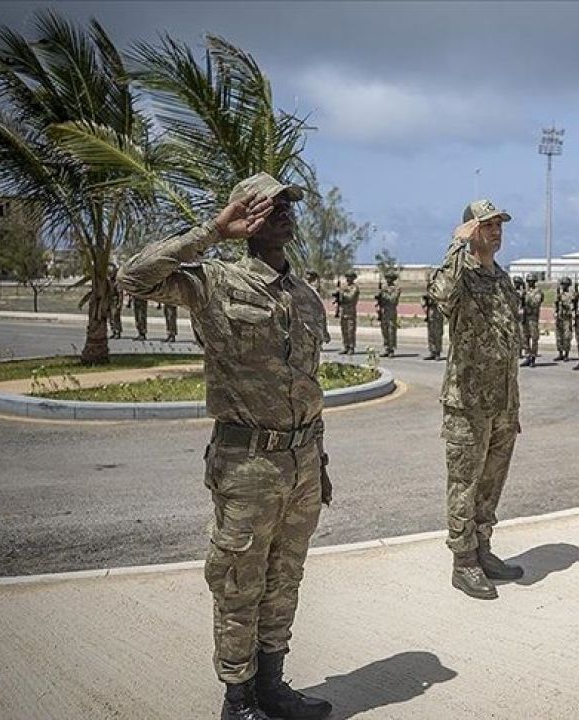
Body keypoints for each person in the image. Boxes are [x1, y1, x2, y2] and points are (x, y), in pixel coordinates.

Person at [117, 172, 334, 720]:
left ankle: (272, 685)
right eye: (269, 205)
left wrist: (320, 462)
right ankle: (238, 701)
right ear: (244, 216)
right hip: (247, 465)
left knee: (285, 579)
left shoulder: (306, 296)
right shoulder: (213, 281)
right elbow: (134, 278)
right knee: (239, 583)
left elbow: (309, 383)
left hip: (301, 463)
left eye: (289, 203)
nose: (285, 211)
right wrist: (212, 231)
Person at [428, 199, 524, 600]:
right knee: (464, 484)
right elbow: (440, 293)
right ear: (471, 231)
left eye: (499, 224)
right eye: (487, 225)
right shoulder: (461, 275)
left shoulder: (501, 279)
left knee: (491, 482)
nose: (496, 230)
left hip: (502, 401)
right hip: (467, 402)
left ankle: (483, 547)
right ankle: (463, 561)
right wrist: (455, 245)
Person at [375, 270, 401, 357]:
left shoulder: (396, 288)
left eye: (389, 278)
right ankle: (386, 348)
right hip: (383, 311)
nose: (387, 280)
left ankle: (391, 349)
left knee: (391, 331)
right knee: (384, 330)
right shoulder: (383, 287)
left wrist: (383, 294)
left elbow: (393, 299)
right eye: (387, 278)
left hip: (391, 311)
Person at [304, 270, 332, 347]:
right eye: (307, 275)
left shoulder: (314, 288)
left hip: (315, 316)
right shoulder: (303, 287)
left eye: (310, 275)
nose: (307, 277)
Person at [521, 274, 543, 366]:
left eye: (531, 281)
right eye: (528, 281)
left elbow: (536, 302)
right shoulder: (525, 291)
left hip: (533, 317)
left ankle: (533, 357)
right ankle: (527, 356)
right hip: (525, 317)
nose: (529, 283)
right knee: (524, 338)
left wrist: (526, 297)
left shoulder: (537, 292)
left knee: (534, 338)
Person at [423, 268, 445, 360]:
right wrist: (425, 302)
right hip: (430, 311)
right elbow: (425, 298)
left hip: (437, 311)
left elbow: (442, 297)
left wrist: (433, 299)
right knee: (431, 332)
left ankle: (437, 352)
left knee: (437, 332)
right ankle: (432, 351)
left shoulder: (440, 286)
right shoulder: (429, 287)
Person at [336, 271, 359, 354]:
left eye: (350, 277)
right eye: (347, 277)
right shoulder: (343, 286)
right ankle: (346, 346)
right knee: (344, 330)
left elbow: (350, 297)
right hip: (343, 311)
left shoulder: (354, 287)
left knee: (350, 330)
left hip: (350, 312)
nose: (348, 279)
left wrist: (341, 293)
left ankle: (351, 347)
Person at [554, 276, 574, 362]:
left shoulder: (570, 294)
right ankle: (560, 353)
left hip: (567, 318)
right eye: (562, 284)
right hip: (559, 317)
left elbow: (570, 305)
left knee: (567, 337)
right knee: (558, 336)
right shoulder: (559, 294)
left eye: (565, 284)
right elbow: (555, 305)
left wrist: (562, 300)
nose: (564, 286)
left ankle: (566, 354)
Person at [512, 275, 527, 361]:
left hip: (520, 313)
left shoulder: (522, 292)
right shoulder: (511, 290)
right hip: (513, 313)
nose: (516, 284)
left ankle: (520, 351)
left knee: (521, 334)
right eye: (515, 283)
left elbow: (524, 302)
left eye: (518, 283)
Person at [107, 263, 124, 339]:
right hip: (109, 301)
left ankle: (118, 332)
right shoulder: (108, 282)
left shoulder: (117, 283)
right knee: (110, 318)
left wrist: (119, 304)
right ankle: (113, 331)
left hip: (115, 301)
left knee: (115, 317)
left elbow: (120, 294)